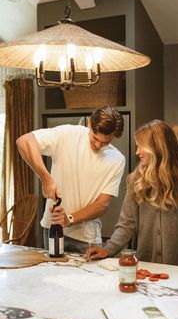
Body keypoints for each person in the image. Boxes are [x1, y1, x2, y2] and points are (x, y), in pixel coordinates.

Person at [86, 119, 178, 280]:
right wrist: (108, 249)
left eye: (141, 146)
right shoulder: (136, 179)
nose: (137, 152)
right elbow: (127, 224)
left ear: (157, 147)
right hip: (145, 272)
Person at [16, 105, 125, 253]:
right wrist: (46, 179)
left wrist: (69, 219)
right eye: (95, 138)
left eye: (105, 142)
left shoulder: (117, 159)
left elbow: (102, 204)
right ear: (89, 124)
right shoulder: (68, 134)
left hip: (88, 238)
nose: (98, 145)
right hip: (52, 229)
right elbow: (24, 141)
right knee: (53, 274)